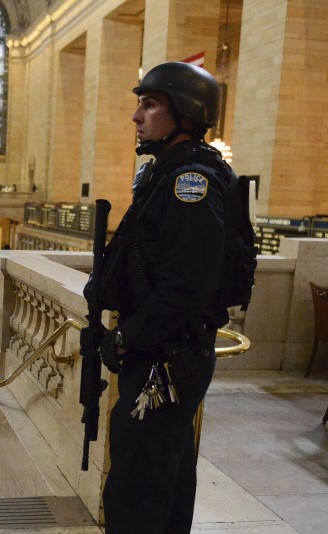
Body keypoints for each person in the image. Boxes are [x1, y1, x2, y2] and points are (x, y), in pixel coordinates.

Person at [96, 62, 232, 533]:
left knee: (137, 490)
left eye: (150, 105)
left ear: (186, 114)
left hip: (167, 359)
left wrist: (125, 339)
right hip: (163, 354)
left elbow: (186, 287)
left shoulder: (190, 181)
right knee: (162, 482)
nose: (137, 116)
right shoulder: (165, 174)